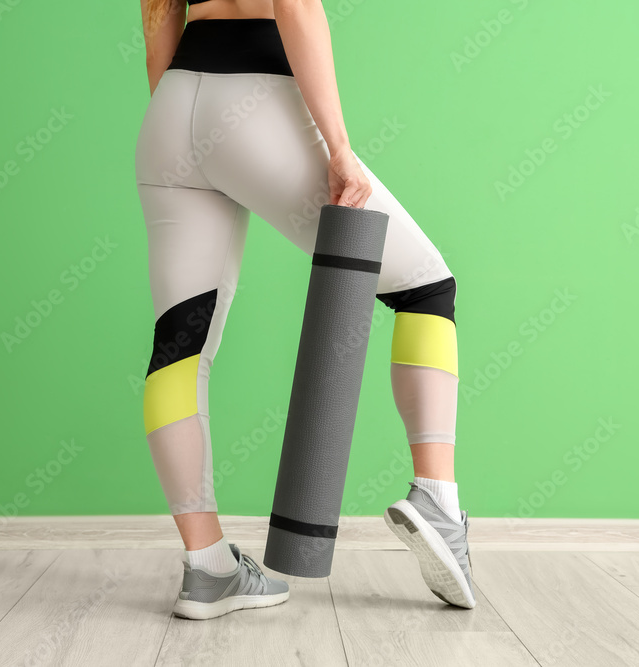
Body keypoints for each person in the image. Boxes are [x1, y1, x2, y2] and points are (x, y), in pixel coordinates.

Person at [135, 0, 475, 620]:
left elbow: (158, 12)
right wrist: (338, 147)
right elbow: (295, 4)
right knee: (427, 288)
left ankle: (207, 568)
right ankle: (438, 500)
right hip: (254, 98)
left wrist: (185, 122)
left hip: (171, 109)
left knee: (179, 345)